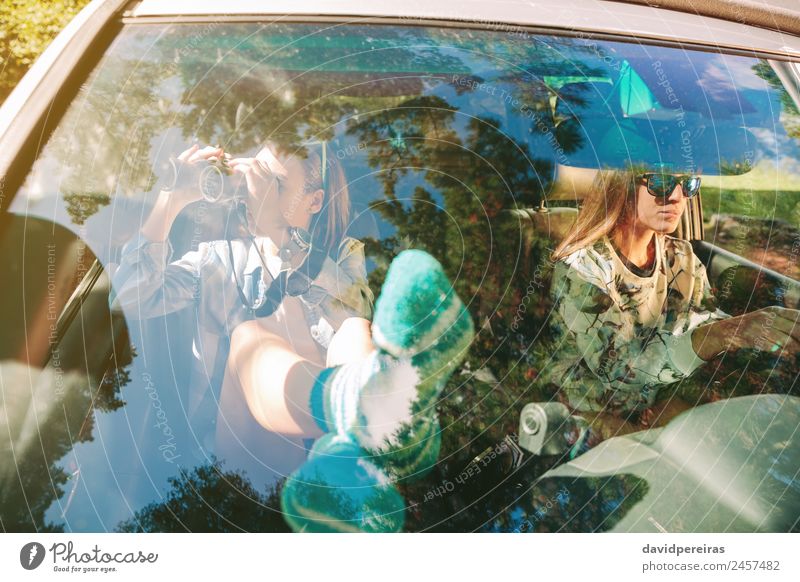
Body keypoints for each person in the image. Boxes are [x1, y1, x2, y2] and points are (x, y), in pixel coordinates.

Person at [544, 168, 800, 435]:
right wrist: (724, 334)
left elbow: (708, 321)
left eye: (687, 185)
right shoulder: (582, 270)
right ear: (622, 186)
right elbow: (619, 368)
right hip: (593, 420)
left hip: (664, 405)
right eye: (661, 182)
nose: (678, 197)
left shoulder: (680, 255)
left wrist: (757, 334)